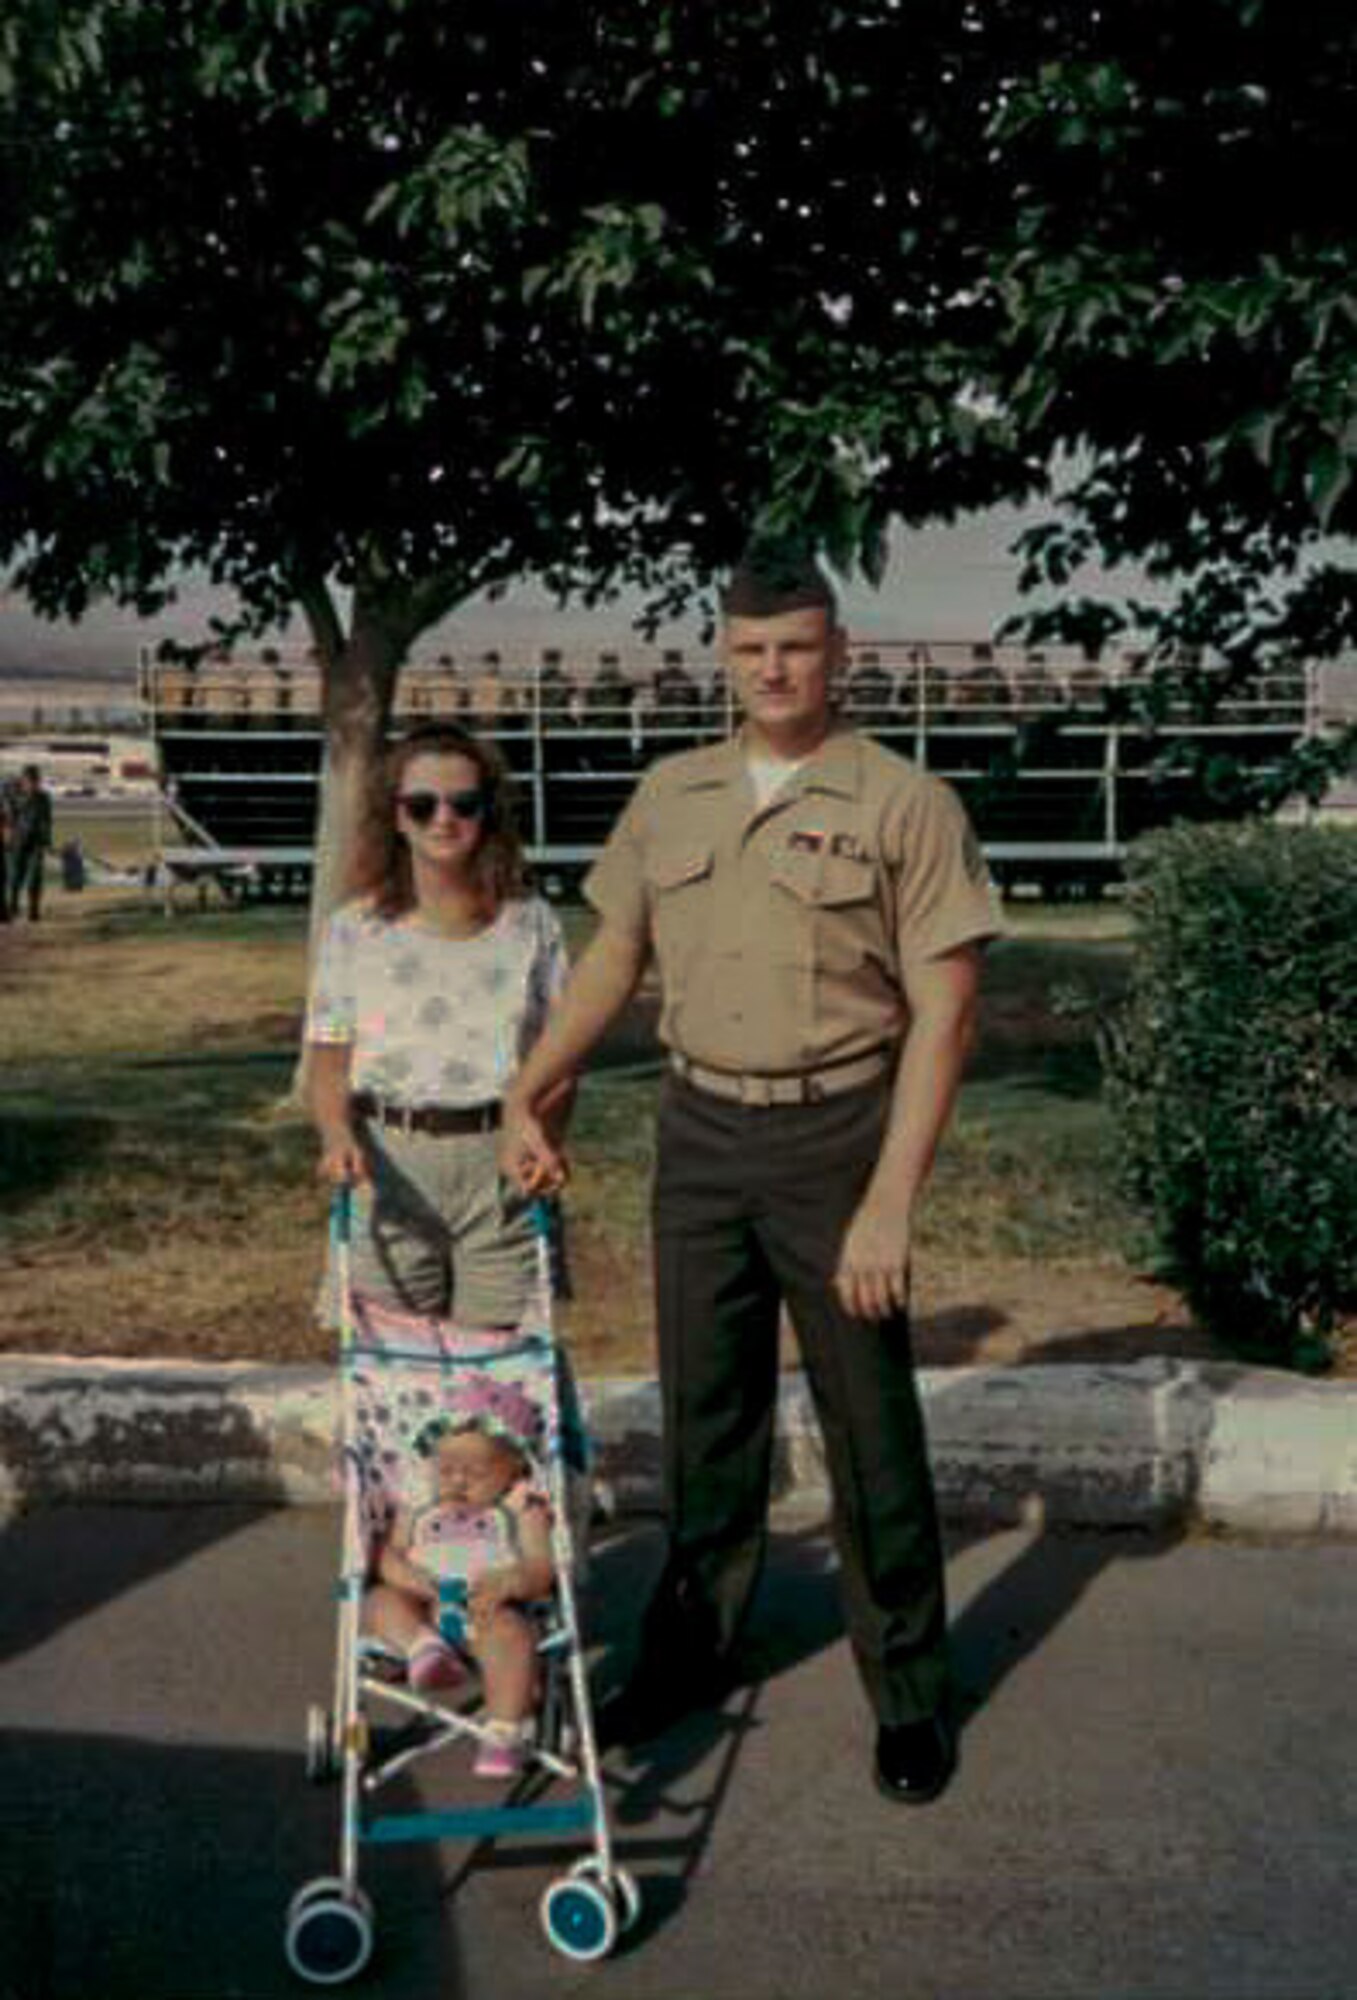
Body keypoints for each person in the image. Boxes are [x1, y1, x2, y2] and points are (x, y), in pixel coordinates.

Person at [500, 545, 999, 1805]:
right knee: (703, 1422)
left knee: (870, 1432)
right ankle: (692, 1653)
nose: (774, 668)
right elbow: (616, 955)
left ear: (839, 654)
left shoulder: (905, 802)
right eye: (750, 648)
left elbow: (943, 1016)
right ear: (723, 657)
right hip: (698, 1133)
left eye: (797, 645)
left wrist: (889, 1201)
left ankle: (909, 1694)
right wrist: (532, 1081)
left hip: (835, 1138)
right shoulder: (674, 792)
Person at [305, 722, 571, 1332]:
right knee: (395, 1384)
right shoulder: (354, 929)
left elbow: (560, 1056)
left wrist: (543, 1137)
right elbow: (328, 1060)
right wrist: (334, 1135)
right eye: (421, 805)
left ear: (488, 814)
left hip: (500, 1170)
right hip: (387, 1169)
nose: (442, 820)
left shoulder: (533, 925)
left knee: (498, 1392)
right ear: (396, 817)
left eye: (463, 804)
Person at [366, 1393, 554, 1779]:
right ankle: (424, 1650)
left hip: (488, 1610)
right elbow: (390, 1555)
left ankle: (503, 1732)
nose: (457, 1480)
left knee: (512, 1635)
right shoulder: (419, 1502)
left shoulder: (520, 1506)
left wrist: (513, 1580)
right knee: (380, 1600)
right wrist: (409, 1577)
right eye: (446, 1467)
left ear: (513, 1468)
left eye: (477, 1472)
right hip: (422, 1607)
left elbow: (540, 1566)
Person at [7, 764, 54, 921]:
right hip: (18, 841)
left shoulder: (44, 798)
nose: (32, 784)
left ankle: (33, 910)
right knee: (16, 876)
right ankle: (13, 906)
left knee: (35, 877)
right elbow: (9, 818)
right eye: (29, 780)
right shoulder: (15, 796)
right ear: (24, 780)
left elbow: (47, 821)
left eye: (35, 781)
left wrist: (47, 841)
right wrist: (9, 836)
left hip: (36, 843)